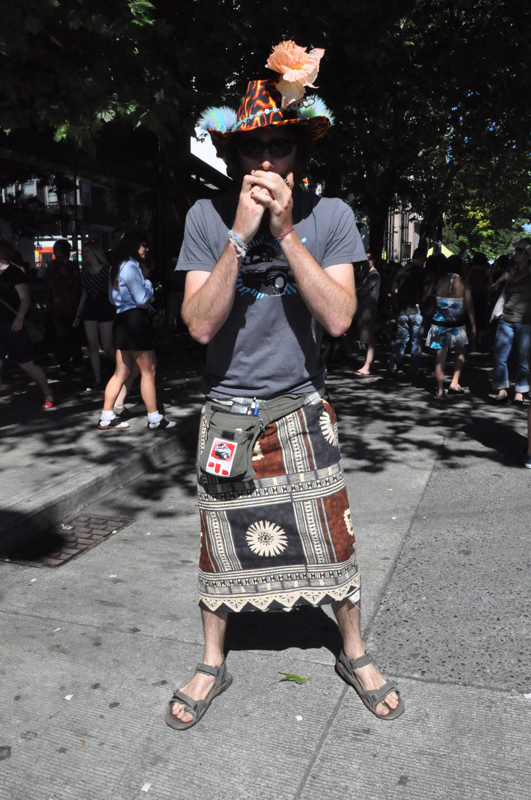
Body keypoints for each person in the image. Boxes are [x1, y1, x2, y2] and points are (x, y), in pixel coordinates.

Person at [167, 40, 404, 731]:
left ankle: (352, 650)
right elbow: (200, 328)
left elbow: (335, 317)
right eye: (252, 150)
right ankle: (213, 659)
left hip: (301, 408)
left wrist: (285, 232)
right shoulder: (204, 219)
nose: (266, 163)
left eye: (281, 148)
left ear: (301, 150)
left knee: (332, 538)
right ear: (234, 155)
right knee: (217, 540)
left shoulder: (329, 217)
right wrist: (240, 236)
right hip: (226, 411)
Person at [98, 229, 176, 431]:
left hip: (121, 320)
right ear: (134, 245)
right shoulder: (132, 266)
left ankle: (106, 416)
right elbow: (142, 299)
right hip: (134, 321)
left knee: (120, 372)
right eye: (143, 244)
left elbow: (111, 298)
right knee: (148, 371)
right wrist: (149, 284)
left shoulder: (116, 266)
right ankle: (155, 419)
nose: (146, 249)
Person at [0, 241, 53, 407]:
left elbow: (25, 298)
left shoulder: (14, 273)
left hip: (13, 325)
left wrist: (20, 317)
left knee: (27, 364)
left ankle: (47, 393)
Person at [425, 254, 476, 397]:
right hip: (457, 324)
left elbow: (425, 297)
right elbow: (469, 306)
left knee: (440, 356)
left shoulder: (438, 280)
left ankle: (440, 388)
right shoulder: (464, 283)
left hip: (439, 323)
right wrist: (473, 325)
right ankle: (454, 382)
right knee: (460, 353)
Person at [491, 239, 531, 405]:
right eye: (516, 251)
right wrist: (501, 280)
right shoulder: (511, 271)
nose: (516, 253)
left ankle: (520, 391)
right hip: (505, 319)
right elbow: (492, 289)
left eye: (520, 251)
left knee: (523, 358)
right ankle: (502, 390)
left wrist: (528, 247)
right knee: (500, 356)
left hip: (525, 322)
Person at [75, 241, 116, 391]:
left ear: (95, 252)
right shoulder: (85, 273)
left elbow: (114, 290)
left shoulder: (107, 270)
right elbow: (84, 294)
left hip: (105, 305)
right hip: (90, 306)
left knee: (106, 345)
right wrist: (78, 314)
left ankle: (124, 368)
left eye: (87, 251)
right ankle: (97, 379)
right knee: (92, 345)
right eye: (83, 252)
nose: (84, 255)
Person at [45, 239, 83, 375]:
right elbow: (77, 287)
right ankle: (77, 362)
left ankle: (63, 364)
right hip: (73, 305)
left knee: (61, 338)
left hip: (57, 306)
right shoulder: (72, 266)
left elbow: (48, 289)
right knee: (75, 336)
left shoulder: (51, 268)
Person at [388, 248, 427, 378]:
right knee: (416, 341)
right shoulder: (422, 273)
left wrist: (400, 299)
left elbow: (393, 290)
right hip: (416, 310)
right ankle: (414, 368)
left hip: (402, 311)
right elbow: (426, 292)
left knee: (401, 338)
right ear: (421, 259)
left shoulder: (402, 271)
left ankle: (395, 362)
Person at [352, 252, 380, 375]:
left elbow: (363, 291)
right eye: (364, 258)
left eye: (369, 258)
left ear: (373, 260)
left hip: (368, 310)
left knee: (369, 339)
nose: (366, 261)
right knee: (365, 338)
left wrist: (356, 291)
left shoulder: (374, 275)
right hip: (362, 309)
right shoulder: (365, 274)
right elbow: (361, 290)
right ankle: (371, 362)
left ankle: (367, 367)